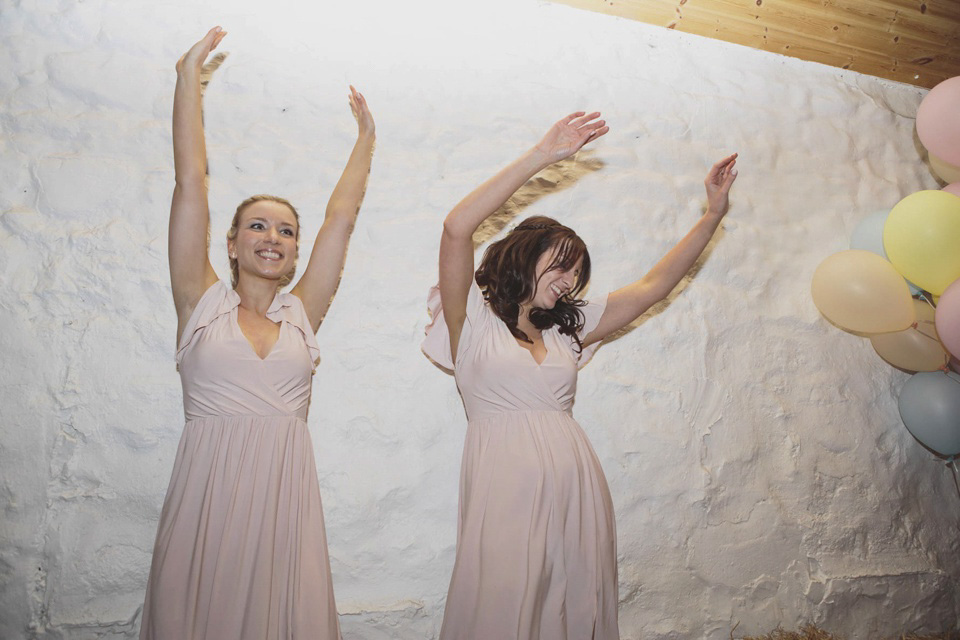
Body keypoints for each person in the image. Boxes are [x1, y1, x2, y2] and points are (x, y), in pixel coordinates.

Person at [422, 112, 737, 639]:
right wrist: (542, 155)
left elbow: (653, 286)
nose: (569, 281)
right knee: (502, 599)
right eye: (561, 264)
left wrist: (711, 215)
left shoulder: (568, 329)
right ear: (526, 255)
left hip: (576, 481)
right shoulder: (471, 318)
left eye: (576, 272)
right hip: (504, 480)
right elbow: (457, 229)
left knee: (572, 599)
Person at [140, 27, 374, 640]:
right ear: (233, 243)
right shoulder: (200, 301)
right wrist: (188, 76)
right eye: (258, 227)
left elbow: (340, 219)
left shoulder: (304, 313)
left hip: (283, 495)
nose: (273, 237)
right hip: (209, 492)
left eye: (286, 231)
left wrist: (367, 140)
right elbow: (191, 182)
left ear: (295, 254)